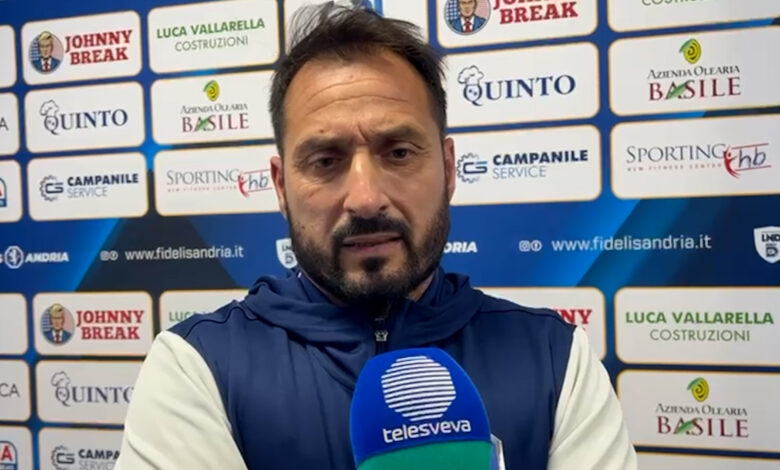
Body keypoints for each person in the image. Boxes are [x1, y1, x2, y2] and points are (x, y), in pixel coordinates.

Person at [116, 5, 637, 470]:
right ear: (280, 186)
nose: (365, 198)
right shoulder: (197, 366)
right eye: (326, 161)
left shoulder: (556, 359)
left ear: (449, 168)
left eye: (399, 153)